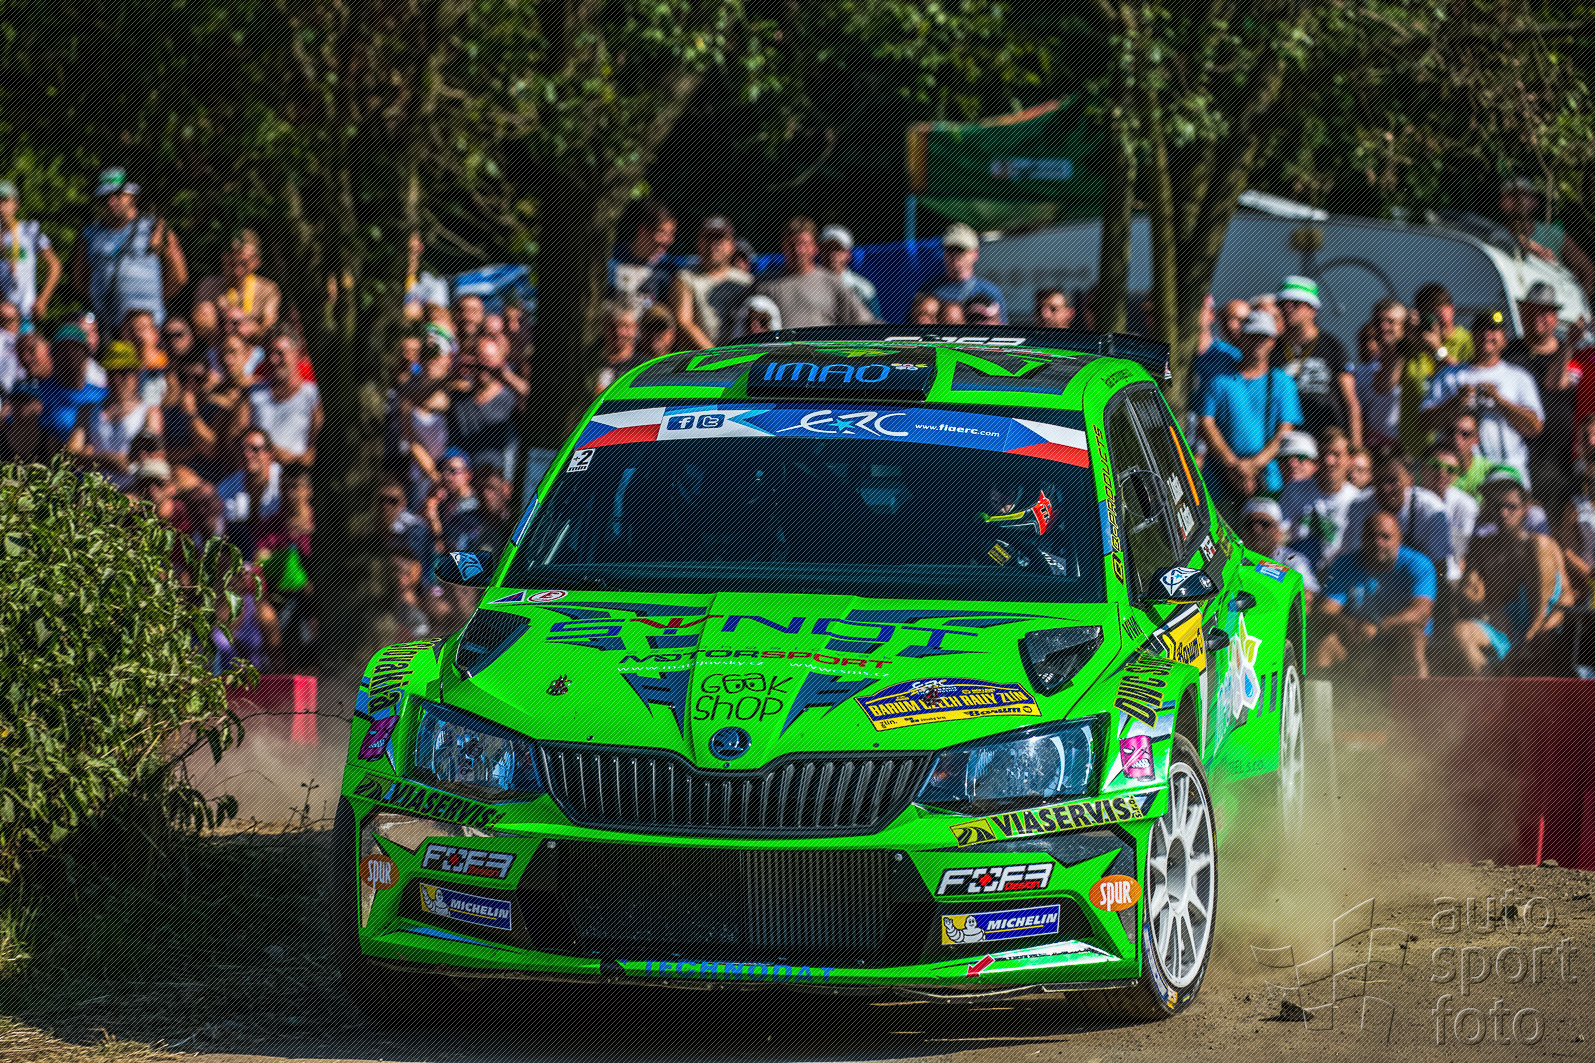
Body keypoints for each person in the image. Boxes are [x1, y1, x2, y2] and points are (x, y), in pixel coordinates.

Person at [1449, 476, 1566, 675]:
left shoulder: (1543, 544)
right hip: (1504, 627)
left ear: (1525, 509)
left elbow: (1567, 596)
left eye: (1511, 506)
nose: (1503, 513)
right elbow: (1468, 597)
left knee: (1538, 544)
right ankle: (1491, 690)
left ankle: (1529, 642)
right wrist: (1488, 610)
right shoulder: (1482, 547)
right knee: (1460, 632)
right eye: (1496, 506)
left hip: (1545, 627)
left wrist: (1542, 628)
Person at [1421, 309, 1543, 487]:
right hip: (1456, 476)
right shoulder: (1449, 375)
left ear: (1505, 339)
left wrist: (1499, 400)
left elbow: (1535, 427)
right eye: (1482, 329)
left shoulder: (1519, 377)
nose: (1487, 334)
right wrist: (1456, 402)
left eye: (1494, 330)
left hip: (1506, 474)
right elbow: (1423, 423)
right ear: (1472, 335)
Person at [1196, 309, 1301, 511]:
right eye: (1252, 336)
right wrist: (1232, 464)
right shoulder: (1219, 380)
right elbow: (1205, 423)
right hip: (1218, 479)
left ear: (1272, 341)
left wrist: (1254, 465)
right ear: (1241, 338)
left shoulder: (1283, 382)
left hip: (1266, 479)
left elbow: (1285, 431)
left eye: (1263, 337)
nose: (1257, 343)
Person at [1315, 510, 1436, 680]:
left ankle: (1419, 696)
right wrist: (1350, 625)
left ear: (1399, 539)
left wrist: (1378, 626)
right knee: (1327, 644)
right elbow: (1326, 610)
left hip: (1398, 637)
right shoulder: (1344, 564)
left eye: (1385, 537)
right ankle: (1317, 696)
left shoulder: (1419, 564)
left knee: (1414, 637)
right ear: (1362, 538)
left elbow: (1422, 613)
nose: (1378, 542)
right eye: (1371, 536)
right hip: (1357, 636)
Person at [73, 168, 187, 329]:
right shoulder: (89, 234)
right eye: (106, 197)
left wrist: (151, 299)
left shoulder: (155, 228)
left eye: (117, 195)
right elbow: (81, 282)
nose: (111, 202)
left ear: (133, 195)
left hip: (149, 329)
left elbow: (179, 277)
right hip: (107, 329)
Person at [1505, 281, 1576, 509]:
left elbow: (1556, 385)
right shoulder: (1507, 353)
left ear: (1555, 318)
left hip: (1558, 468)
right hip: (1514, 465)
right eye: (1531, 310)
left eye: (1545, 312)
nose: (1538, 317)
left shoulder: (1571, 356)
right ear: (1522, 312)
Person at [1339, 451, 1454, 581]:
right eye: (1379, 481)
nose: (1385, 488)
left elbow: (1440, 568)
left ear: (1410, 481)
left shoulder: (1433, 511)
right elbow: (1351, 557)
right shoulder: (1359, 505)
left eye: (1393, 481)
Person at [1274, 275, 1358, 444]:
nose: (1288, 308)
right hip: (1283, 442)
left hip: (1324, 442)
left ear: (1313, 310)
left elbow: (1350, 402)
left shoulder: (1332, 345)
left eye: (1295, 303)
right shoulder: (1271, 346)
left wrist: (1355, 447)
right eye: (1283, 304)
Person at [748, 216, 874, 329]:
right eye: (792, 244)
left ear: (814, 247)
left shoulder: (833, 283)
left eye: (804, 244)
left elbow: (865, 323)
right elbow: (740, 323)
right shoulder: (764, 285)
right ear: (783, 246)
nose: (798, 250)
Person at [68, 340, 162, 485]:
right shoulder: (88, 409)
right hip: (96, 492)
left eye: (124, 372)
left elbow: (151, 460)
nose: (118, 379)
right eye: (112, 372)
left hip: (134, 492)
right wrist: (113, 461)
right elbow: (69, 456)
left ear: (136, 374)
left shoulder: (150, 411)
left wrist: (91, 459)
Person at [1280, 425, 1362, 571]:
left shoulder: (1357, 500)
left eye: (1336, 454)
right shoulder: (1294, 489)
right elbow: (1280, 535)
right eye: (1324, 454)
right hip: (1296, 568)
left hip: (1338, 572)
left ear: (1349, 460)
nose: (1329, 460)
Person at [1498, 176, 1595, 294]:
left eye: (1523, 194)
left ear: (1535, 201)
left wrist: (1577, 301)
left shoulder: (1554, 235)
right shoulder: (1493, 236)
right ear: (1501, 202)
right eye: (1510, 195)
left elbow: (1589, 271)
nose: (1517, 200)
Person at [667, 216, 752, 350]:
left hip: (742, 357)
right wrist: (716, 356)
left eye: (720, 239)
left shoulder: (747, 281)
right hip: (699, 359)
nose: (714, 244)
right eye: (708, 238)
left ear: (732, 245)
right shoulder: (685, 278)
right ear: (699, 242)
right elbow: (683, 323)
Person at [191, 229, 281, 341]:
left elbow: (270, 328)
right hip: (219, 348)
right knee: (205, 309)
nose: (237, 271)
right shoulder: (208, 285)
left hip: (253, 349)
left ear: (256, 262)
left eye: (243, 263)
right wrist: (230, 327)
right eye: (232, 263)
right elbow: (199, 326)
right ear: (224, 259)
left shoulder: (268, 289)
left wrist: (247, 328)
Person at [249, 330, 322, 465]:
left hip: (293, 474)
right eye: (269, 353)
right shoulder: (253, 393)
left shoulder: (312, 397)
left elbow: (315, 453)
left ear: (296, 354)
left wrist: (289, 460)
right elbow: (237, 436)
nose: (273, 360)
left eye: (280, 353)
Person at [1418, 441, 1479, 585]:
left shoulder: (1466, 505)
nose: (1442, 473)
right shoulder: (1407, 497)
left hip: (1448, 580)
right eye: (1435, 465)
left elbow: (1460, 558)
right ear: (1422, 466)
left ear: (1457, 475)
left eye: (1450, 469)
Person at [1238, 496, 1319, 604]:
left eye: (1264, 524)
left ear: (1278, 531)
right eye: (1249, 524)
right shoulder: (1232, 555)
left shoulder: (1293, 560)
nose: (1256, 529)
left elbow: (1307, 598)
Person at [0, 178, 61, 321]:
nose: (1, 206)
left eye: (5, 200)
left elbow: (55, 265)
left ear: (16, 204)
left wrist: (43, 300)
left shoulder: (29, 231)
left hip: (26, 314)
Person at [37, 323, 107, 449]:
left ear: (87, 355)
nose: (69, 355)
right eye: (62, 350)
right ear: (52, 356)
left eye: (76, 349)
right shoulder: (39, 393)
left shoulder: (101, 394)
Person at [916, 223, 1005, 321]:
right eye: (950, 250)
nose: (956, 256)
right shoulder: (928, 290)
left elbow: (1003, 328)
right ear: (944, 253)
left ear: (975, 253)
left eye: (961, 250)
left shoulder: (990, 292)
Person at [216, 427, 282, 552]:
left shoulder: (286, 482)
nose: (247, 454)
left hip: (282, 549)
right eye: (243, 449)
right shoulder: (225, 489)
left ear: (270, 454)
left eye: (255, 449)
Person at [1555, 412, 1595, 607]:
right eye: (1587, 438)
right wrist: (1590, 575)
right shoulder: (1572, 496)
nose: (1592, 443)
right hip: (1585, 585)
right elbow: (1566, 551)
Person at [609, 198, 675, 308]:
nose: (669, 240)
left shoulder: (668, 268)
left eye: (672, 233)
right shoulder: (612, 258)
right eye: (662, 232)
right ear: (643, 230)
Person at [817, 225, 881, 318]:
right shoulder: (808, 284)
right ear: (820, 252)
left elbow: (874, 323)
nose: (832, 254)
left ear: (848, 254)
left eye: (838, 249)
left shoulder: (863, 289)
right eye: (827, 249)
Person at [1192, 293, 1243, 396]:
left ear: (1212, 314)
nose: (1193, 314)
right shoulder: (1174, 353)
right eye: (1190, 310)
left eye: (1199, 308)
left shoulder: (1231, 355)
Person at [1413, 282, 1474, 366]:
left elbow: (1470, 372)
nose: (1432, 320)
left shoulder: (1469, 340)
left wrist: (1438, 348)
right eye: (1427, 314)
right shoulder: (1413, 342)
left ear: (1452, 308)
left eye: (1437, 311)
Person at [593, 300, 641, 392]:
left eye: (625, 325)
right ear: (604, 327)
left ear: (635, 328)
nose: (619, 332)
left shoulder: (644, 367)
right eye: (612, 326)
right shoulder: (589, 362)